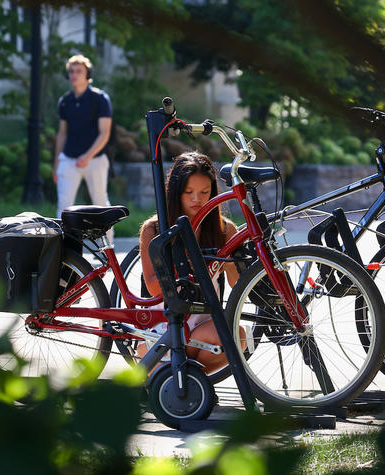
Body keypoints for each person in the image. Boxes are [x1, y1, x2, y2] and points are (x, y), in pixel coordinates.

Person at [137, 151, 243, 373]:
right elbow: (153, 286)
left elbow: (237, 284)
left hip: (203, 325)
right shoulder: (153, 230)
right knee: (153, 353)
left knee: (238, 336)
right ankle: (185, 378)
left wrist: (231, 264)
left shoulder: (224, 230)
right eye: (189, 192)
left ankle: (182, 377)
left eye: (205, 192)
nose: (197, 199)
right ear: (175, 194)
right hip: (162, 326)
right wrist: (186, 266)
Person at [53, 54, 114, 241]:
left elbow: (104, 132)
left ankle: (108, 250)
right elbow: (62, 133)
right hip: (69, 159)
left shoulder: (100, 99)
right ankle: (60, 251)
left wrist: (88, 156)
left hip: (95, 160)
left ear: (88, 74)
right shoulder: (65, 101)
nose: (74, 74)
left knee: (100, 204)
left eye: (79, 71)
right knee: (64, 205)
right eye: (71, 71)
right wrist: (56, 163)